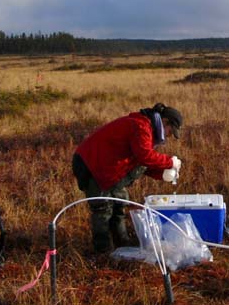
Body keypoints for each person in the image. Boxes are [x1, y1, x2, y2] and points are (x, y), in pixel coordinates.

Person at [72, 103, 183, 253]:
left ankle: (122, 244)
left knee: (119, 204)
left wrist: (162, 174)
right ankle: (102, 252)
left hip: (108, 168)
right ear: (164, 122)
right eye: (170, 131)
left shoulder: (147, 130)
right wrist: (170, 162)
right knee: (102, 208)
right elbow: (144, 156)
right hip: (91, 164)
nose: (169, 135)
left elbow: (139, 163)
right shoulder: (141, 127)